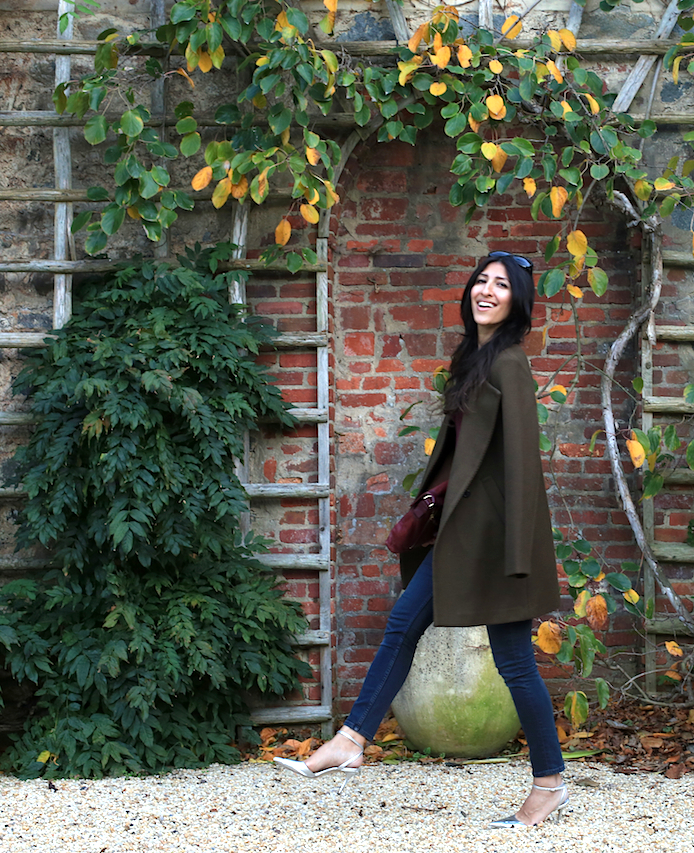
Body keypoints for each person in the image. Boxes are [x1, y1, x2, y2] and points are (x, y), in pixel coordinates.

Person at [273, 250, 569, 828]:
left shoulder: (509, 364)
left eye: (501, 285)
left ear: (518, 301)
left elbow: (522, 468)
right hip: (464, 534)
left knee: (514, 663)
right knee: (404, 622)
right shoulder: (476, 360)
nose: (486, 291)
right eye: (480, 281)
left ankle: (549, 784)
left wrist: (516, 561)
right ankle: (353, 738)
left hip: (497, 545)